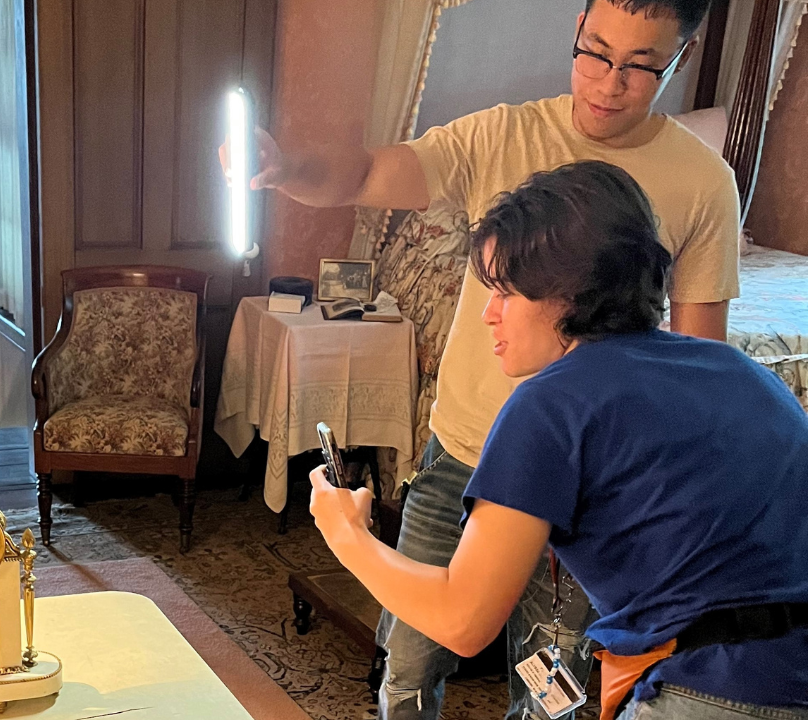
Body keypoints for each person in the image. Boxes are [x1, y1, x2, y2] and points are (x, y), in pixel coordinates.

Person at [222, 1, 739, 717]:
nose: (608, 81)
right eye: (593, 51)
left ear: (679, 59)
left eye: (639, 66)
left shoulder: (703, 180)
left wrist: (344, 532)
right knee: (407, 660)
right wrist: (286, 167)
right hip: (464, 452)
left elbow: (696, 362)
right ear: (576, 34)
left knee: (548, 687)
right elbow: (368, 172)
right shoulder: (504, 134)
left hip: (587, 489)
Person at [308, 160, 808, 720]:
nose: (487, 314)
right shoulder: (743, 372)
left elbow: (463, 622)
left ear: (568, 292)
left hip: (711, 692)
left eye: (505, 291)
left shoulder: (552, 403)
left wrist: (346, 534)